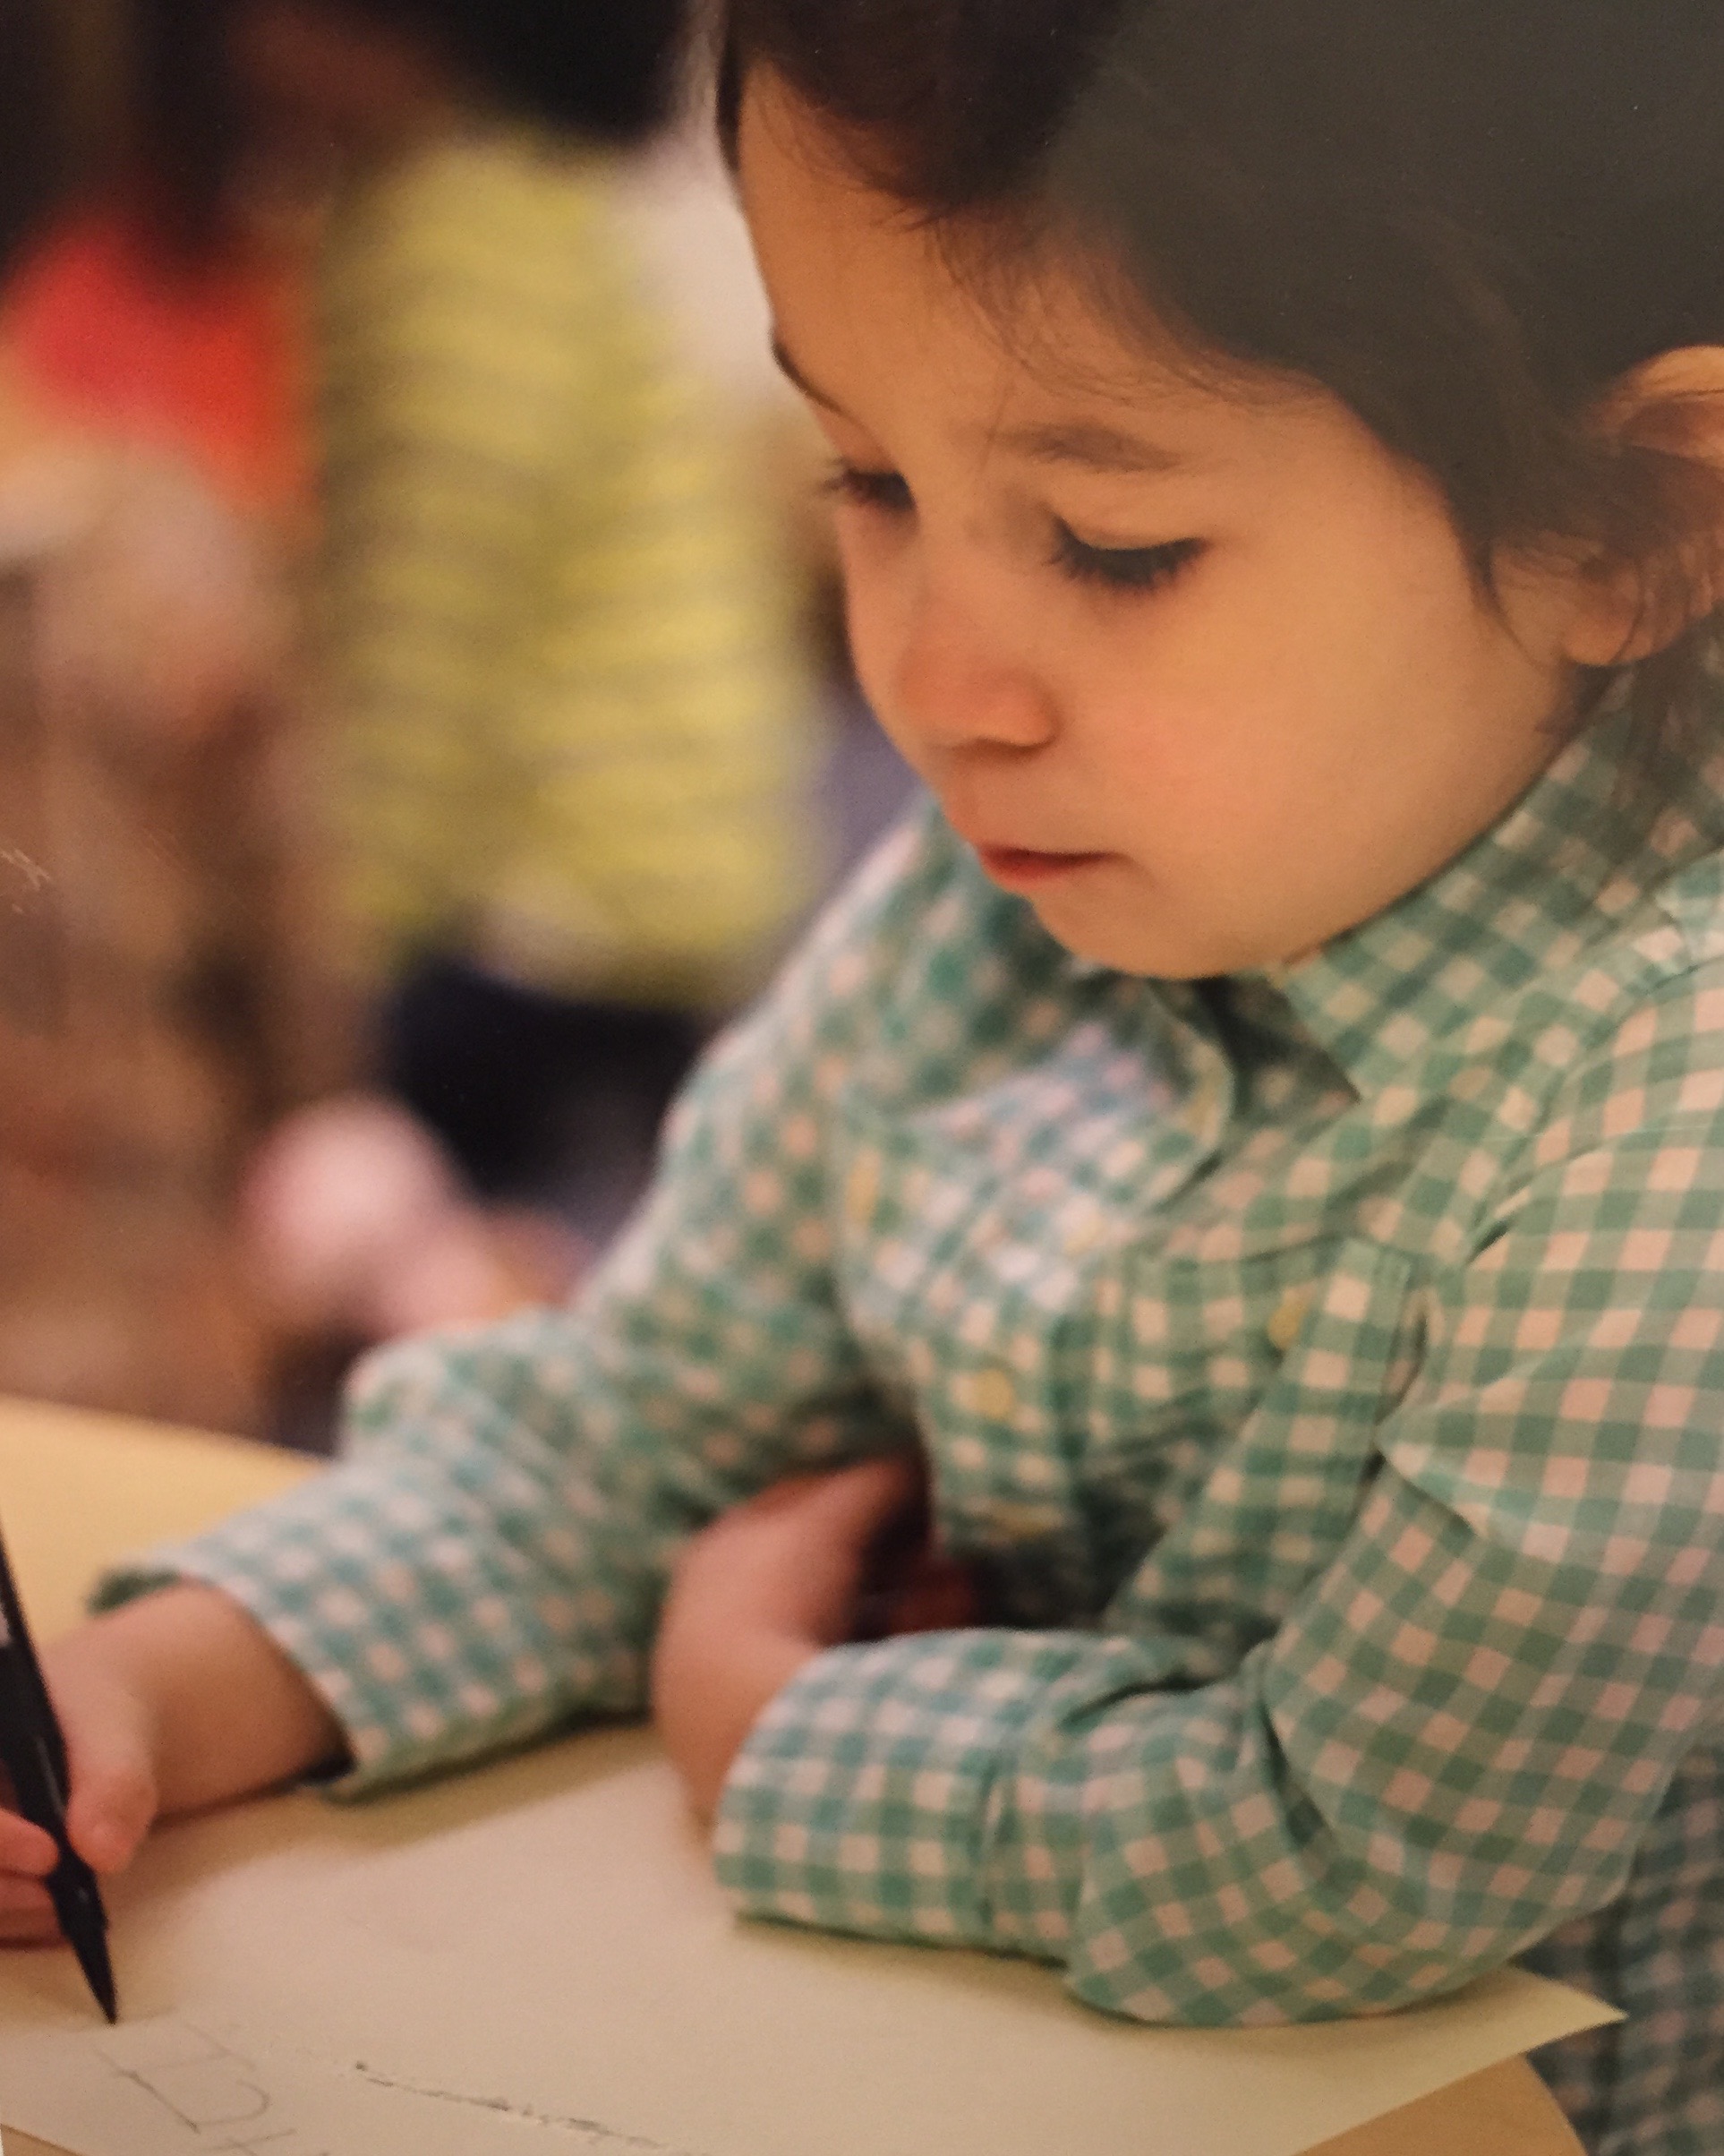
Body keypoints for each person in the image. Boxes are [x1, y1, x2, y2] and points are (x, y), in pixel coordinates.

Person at [4, 4, 1724, 2148]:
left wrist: (778, 1732)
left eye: (1115, 546)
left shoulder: (1666, 1093)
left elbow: (1354, 1857)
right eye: (877, 482)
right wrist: (157, 1688)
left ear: (1635, 526)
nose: (933, 681)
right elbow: (624, 1437)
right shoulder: (996, 886)